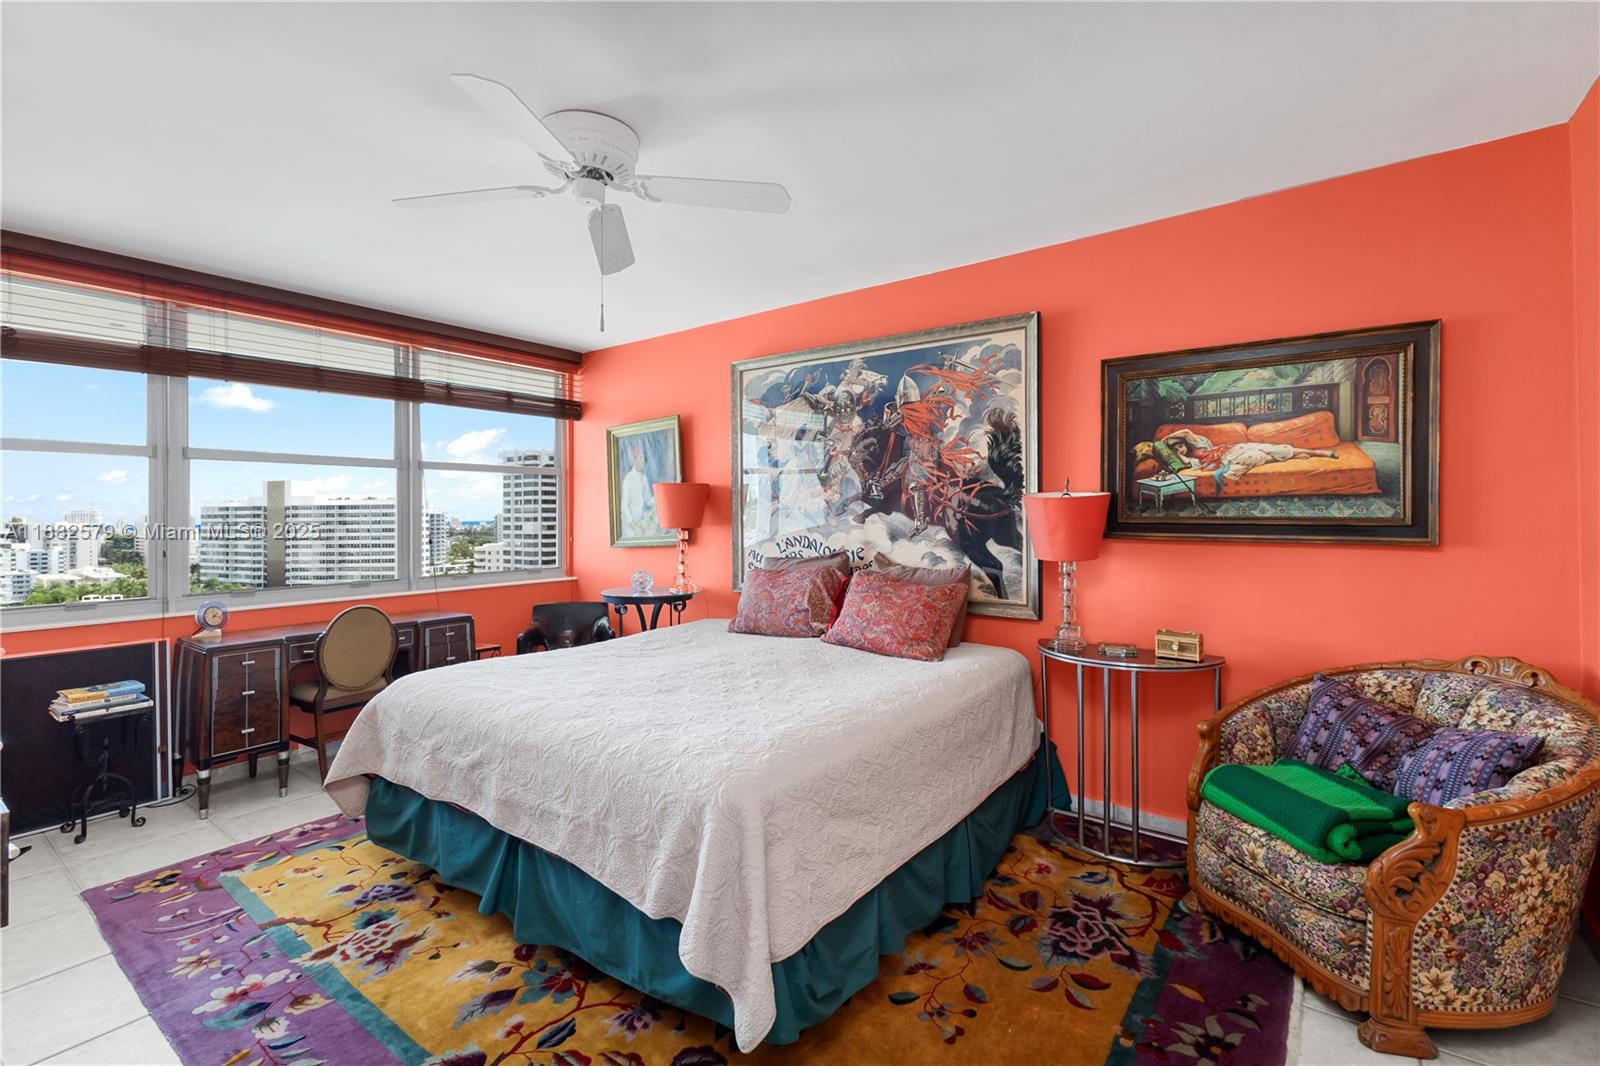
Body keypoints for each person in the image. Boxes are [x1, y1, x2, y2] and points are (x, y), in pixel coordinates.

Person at [1162, 428, 1338, 494]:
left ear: (1184, 443)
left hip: (1231, 450)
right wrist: (1170, 450)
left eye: (1180, 446)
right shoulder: (1188, 459)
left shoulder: (1198, 443)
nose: (1180, 449)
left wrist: (1165, 439)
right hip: (1227, 461)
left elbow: (1186, 432)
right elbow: (1185, 462)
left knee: (1272, 448)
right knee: (1257, 457)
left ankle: (1318, 452)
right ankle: (1295, 456)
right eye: (1176, 449)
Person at [619, 443, 656, 537]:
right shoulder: (628, 479)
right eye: (640, 458)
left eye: (643, 458)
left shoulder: (644, 478)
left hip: (641, 521)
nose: (643, 461)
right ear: (634, 460)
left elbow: (648, 500)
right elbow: (624, 506)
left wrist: (660, 500)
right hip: (629, 526)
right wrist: (634, 527)